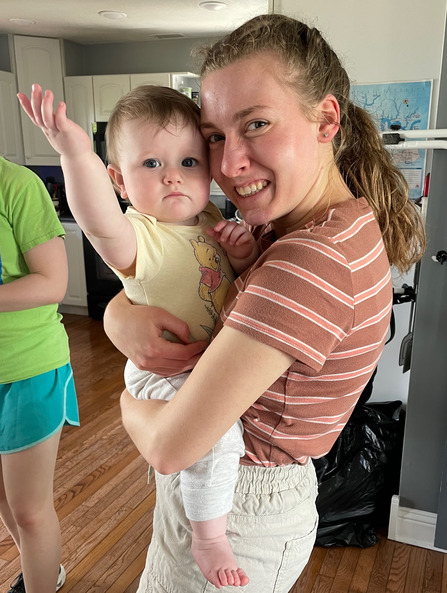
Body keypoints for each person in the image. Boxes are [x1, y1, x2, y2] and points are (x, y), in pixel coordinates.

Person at [101, 13, 426, 593]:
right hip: (238, 496)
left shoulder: (307, 261)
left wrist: (125, 400)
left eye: (255, 124)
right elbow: (186, 284)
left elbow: (173, 445)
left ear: (326, 118)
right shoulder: (309, 229)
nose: (227, 165)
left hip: (239, 508)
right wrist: (119, 314)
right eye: (216, 136)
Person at [17, 84, 259, 588]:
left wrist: (240, 255)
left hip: (203, 364)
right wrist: (75, 154)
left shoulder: (212, 219)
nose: (173, 174)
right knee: (213, 435)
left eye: (189, 161)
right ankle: (208, 535)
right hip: (164, 370)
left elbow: (239, 286)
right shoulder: (137, 236)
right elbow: (96, 221)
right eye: (150, 165)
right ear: (119, 181)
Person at [0, 156, 80, 593]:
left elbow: (52, 282)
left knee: (30, 509)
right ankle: (42, 573)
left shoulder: (16, 185)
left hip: (29, 369)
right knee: (4, 501)